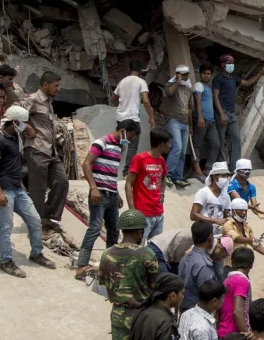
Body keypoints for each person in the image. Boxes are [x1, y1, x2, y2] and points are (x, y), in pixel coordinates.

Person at [75, 119, 140, 278]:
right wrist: (93, 188)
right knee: (95, 228)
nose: (129, 140)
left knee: (113, 232)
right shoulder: (101, 142)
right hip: (99, 194)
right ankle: (81, 265)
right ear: (123, 130)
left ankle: (109, 265)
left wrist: (116, 194)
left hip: (111, 194)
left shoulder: (119, 147)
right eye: (130, 137)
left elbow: (111, 173)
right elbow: (86, 164)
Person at [0, 105, 56, 277]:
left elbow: (32, 133)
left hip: (18, 189)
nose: (25, 126)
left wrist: (25, 126)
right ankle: (5, 260)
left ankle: (36, 253)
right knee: (5, 227)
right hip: (5, 190)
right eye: (22, 123)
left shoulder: (15, 135)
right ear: (14, 122)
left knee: (35, 220)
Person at [15, 71, 69, 233]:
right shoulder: (33, 99)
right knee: (38, 189)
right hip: (37, 149)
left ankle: (47, 216)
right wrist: (27, 127)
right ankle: (36, 224)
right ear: (46, 85)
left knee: (62, 182)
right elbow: (12, 114)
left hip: (50, 152)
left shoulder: (48, 102)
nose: (58, 89)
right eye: (56, 85)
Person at [99, 209, 160, 340]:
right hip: (141, 315)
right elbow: (156, 285)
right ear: (139, 232)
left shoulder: (107, 254)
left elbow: (105, 283)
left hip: (117, 314)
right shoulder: (147, 254)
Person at [213, 54, 263, 169]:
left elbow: (247, 83)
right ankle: (221, 168)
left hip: (231, 114)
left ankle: (233, 168)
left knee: (236, 140)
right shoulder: (218, 78)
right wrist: (221, 114)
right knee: (220, 141)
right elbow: (215, 97)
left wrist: (261, 73)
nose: (231, 65)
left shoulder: (233, 78)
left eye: (232, 63)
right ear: (223, 65)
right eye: (228, 63)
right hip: (222, 113)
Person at [127, 128, 171, 242]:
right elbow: (128, 183)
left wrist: (162, 193)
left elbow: (164, 177)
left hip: (158, 213)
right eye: (168, 143)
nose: (170, 146)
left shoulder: (161, 160)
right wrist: (132, 210)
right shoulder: (139, 159)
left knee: (155, 248)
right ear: (161, 145)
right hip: (142, 213)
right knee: (138, 247)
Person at [111, 61, 156, 172]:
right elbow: (145, 100)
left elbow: (113, 98)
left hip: (120, 118)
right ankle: (127, 172)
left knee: (121, 143)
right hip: (133, 119)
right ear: (140, 71)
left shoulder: (122, 81)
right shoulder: (141, 82)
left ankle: (113, 168)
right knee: (132, 145)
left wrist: (120, 105)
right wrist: (151, 116)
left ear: (128, 69)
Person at [178, 221, 232, 312]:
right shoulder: (204, 265)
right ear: (210, 238)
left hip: (184, 306)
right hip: (196, 310)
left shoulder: (185, 258)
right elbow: (208, 295)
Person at [163, 65, 195, 188]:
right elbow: (169, 92)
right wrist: (177, 80)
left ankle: (178, 177)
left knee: (182, 151)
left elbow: (189, 109)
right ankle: (167, 175)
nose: (185, 76)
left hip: (185, 123)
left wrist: (191, 125)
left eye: (187, 74)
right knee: (177, 147)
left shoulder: (188, 89)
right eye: (183, 74)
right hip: (174, 120)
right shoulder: (170, 85)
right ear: (177, 74)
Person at [130, 272, 185, 340]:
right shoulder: (166, 323)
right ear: (173, 295)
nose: (183, 296)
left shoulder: (143, 311)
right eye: (182, 293)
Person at [219, 247, 256, 337]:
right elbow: (237, 311)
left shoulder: (227, 280)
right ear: (251, 265)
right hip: (234, 333)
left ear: (232, 263)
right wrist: (246, 333)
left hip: (222, 330)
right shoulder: (243, 281)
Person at [191, 64, 221, 174]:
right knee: (197, 144)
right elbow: (197, 102)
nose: (206, 76)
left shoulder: (208, 87)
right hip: (201, 119)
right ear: (200, 74)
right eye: (204, 73)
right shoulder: (198, 85)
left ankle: (208, 168)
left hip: (211, 121)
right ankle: (197, 169)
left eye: (208, 74)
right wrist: (200, 117)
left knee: (216, 144)